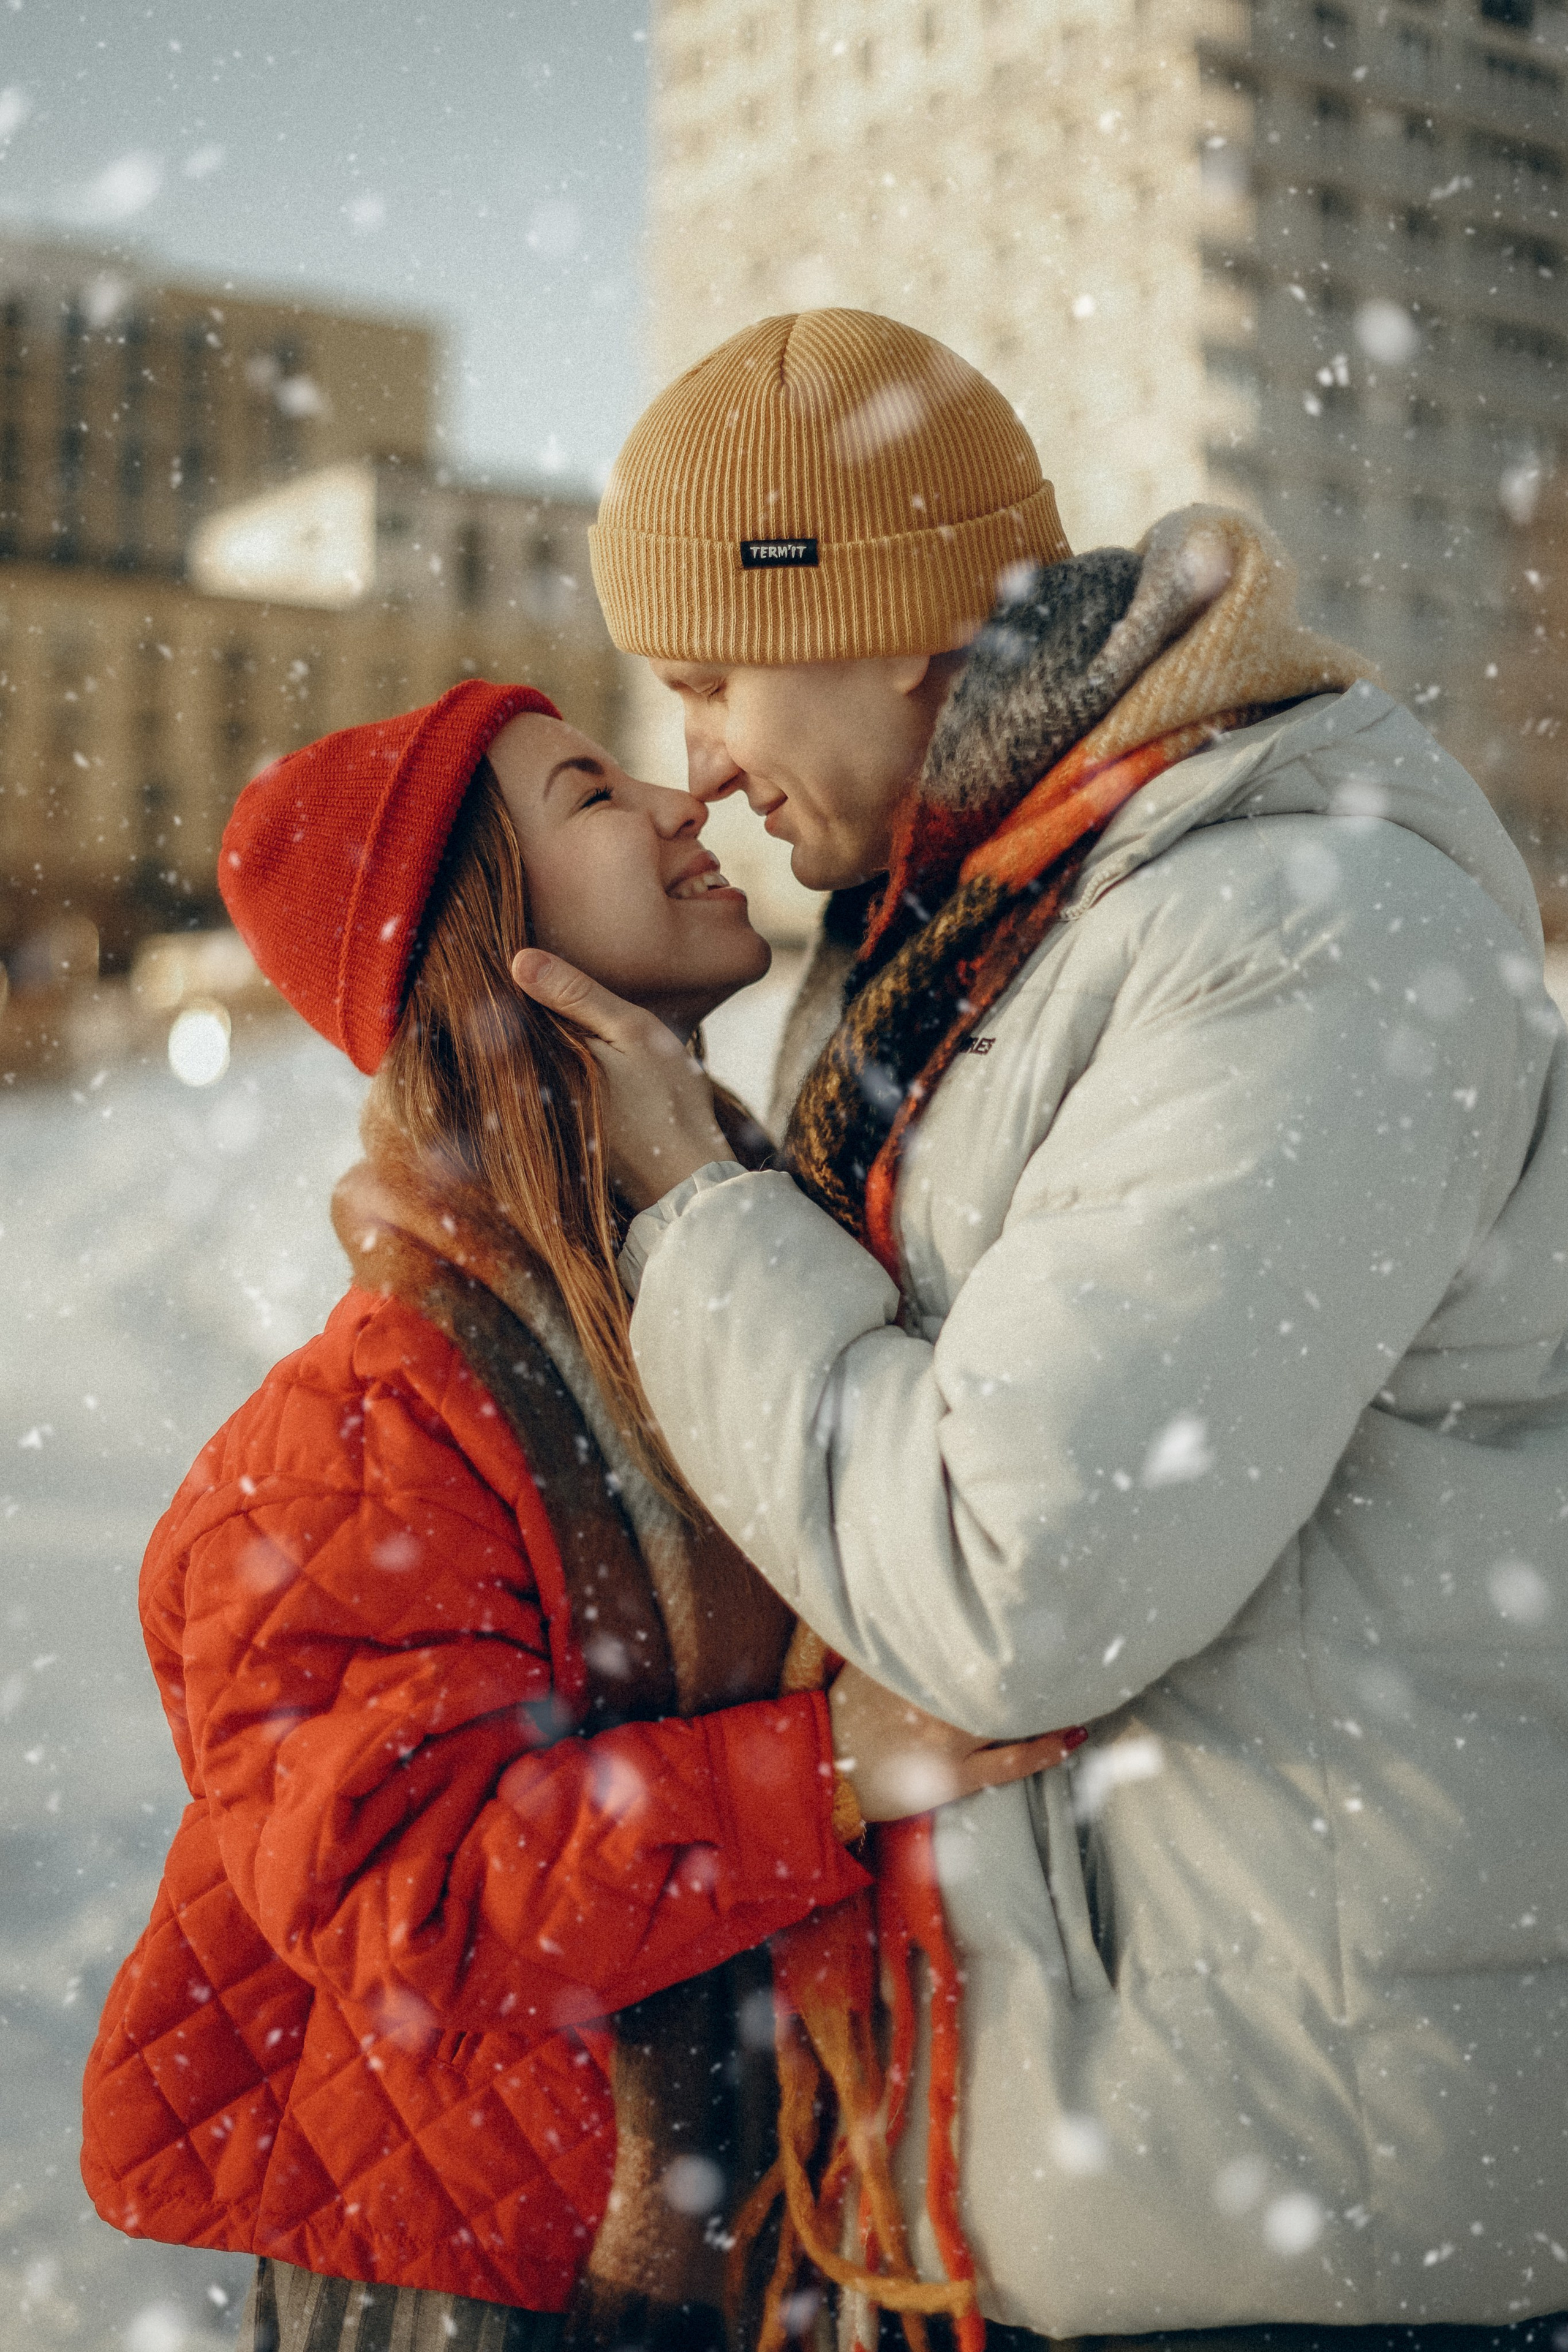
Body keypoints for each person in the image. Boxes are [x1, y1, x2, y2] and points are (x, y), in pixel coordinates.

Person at [509, 310, 1568, 2348]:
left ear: (895, 626)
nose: (702, 755)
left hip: (1324, 2223)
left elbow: (1015, 1580)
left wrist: (704, 1214)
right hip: (1115, 2172)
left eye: (718, 671)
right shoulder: (966, 936)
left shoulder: (1287, 932)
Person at [79, 679, 1074, 2352]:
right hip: (491, 2293)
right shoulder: (372, 1421)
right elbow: (412, 1900)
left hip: (766, 2244)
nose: (684, 799)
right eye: (595, 797)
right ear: (496, 939)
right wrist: (824, 1771)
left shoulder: (727, 1270)